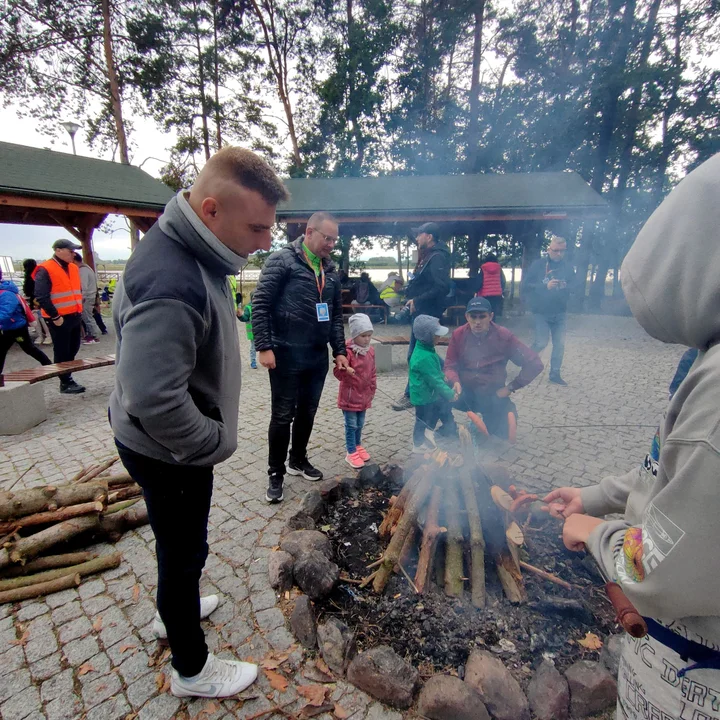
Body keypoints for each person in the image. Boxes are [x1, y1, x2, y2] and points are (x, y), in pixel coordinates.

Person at [543, 154, 720, 720]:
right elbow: (671, 471)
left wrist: (597, 531)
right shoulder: (710, 361)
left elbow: (660, 570)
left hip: (692, 673)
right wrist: (597, 494)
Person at [109, 146, 289, 698]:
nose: (264, 243)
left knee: (177, 547)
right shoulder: (172, 279)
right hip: (170, 451)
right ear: (211, 210)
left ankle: (176, 607)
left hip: (163, 447)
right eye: (257, 228)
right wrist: (209, 441)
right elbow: (154, 399)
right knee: (184, 552)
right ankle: (192, 668)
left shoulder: (190, 250)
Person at [253, 212, 349, 504]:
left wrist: (341, 351)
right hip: (285, 353)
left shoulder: (330, 270)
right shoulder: (283, 261)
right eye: (327, 237)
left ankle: (298, 459)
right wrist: (264, 346)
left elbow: (334, 317)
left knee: (308, 411)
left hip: (316, 356)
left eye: (335, 239)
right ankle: (275, 472)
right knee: (283, 415)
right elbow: (260, 304)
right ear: (309, 232)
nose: (331, 244)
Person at [445, 297, 542, 440]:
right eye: (473, 316)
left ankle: (495, 423)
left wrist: (511, 387)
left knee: (501, 434)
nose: (477, 322)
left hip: (492, 394)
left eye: (482, 316)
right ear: (467, 316)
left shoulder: (504, 336)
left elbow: (535, 363)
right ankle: (448, 427)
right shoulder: (458, 334)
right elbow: (450, 364)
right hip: (464, 392)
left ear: (490, 316)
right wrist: (454, 380)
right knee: (434, 389)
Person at [392, 223, 451, 410]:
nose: (417, 239)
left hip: (427, 315)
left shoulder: (438, 258)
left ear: (430, 237)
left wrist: (417, 300)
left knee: (414, 355)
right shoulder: (429, 255)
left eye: (420, 235)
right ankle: (452, 372)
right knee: (420, 354)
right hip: (421, 312)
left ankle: (411, 395)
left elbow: (441, 287)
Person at [34, 239, 86, 394]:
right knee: (62, 350)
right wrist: (55, 316)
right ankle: (65, 381)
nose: (73, 254)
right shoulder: (45, 269)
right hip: (59, 318)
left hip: (74, 315)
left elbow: (76, 290)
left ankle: (66, 375)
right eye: (70, 251)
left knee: (74, 347)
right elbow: (41, 296)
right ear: (58, 250)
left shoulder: (73, 268)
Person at [522, 235, 575, 386]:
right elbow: (526, 285)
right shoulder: (538, 265)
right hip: (541, 311)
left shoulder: (568, 267)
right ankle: (525, 364)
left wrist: (566, 286)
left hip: (560, 311)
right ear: (549, 249)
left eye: (562, 251)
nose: (559, 254)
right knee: (541, 342)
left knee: (560, 344)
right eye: (556, 250)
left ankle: (555, 374)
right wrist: (545, 286)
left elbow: (575, 286)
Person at [409, 314, 458, 453]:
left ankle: (425, 438)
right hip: (423, 396)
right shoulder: (424, 356)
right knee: (421, 421)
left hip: (427, 394)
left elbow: (435, 372)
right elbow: (434, 380)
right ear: (427, 336)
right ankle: (418, 445)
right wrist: (449, 394)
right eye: (436, 335)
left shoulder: (427, 350)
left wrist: (443, 376)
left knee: (428, 418)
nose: (439, 337)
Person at [334, 313, 377, 469]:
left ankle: (358, 445)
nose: (367, 339)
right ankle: (350, 451)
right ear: (355, 335)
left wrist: (372, 387)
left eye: (369, 335)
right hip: (350, 397)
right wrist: (345, 370)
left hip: (364, 396)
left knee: (360, 424)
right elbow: (338, 373)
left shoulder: (370, 351)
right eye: (363, 335)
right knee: (351, 425)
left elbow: (372, 371)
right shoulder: (347, 352)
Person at [0, 269, 52, 375]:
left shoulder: (6, 294)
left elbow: (5, 313)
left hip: (16, 327)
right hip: (7, 327)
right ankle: (48, 364)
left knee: (29, 348)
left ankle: (49, 365)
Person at [72, 253, 102, 344]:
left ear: (74, 261)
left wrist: (81, 297)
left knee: (87, 317)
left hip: (87, 297)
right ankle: (91, 335)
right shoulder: (87, 268)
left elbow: (83, 286)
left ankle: (94, 336)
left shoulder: (82, 271)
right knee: (87, 316)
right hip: (90, 295)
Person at [22, 259, 52, 345]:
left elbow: (27, 291)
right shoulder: (39, 274)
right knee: (41, 318)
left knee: (38, 318)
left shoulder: (30, 277)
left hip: (37, 300)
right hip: (40, 300)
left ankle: (42, 336)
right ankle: (47, 335)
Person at [476, 253, 506, 318]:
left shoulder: (483, 268)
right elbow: (503, 281)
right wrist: (501, 290)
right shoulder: (499, 268)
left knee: (485, 310)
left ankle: (487, 325)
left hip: (485, 294)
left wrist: (476, 290)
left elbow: (480, 281)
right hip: (496, 294)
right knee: (493, 311)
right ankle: (493, 324)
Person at [238, 291, 257, 369]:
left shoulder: (262, 305)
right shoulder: (248, 308)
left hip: (262, 331)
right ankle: (253, 362)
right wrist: (240, 316)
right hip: (253, 332)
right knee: (253, 348)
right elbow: (245, 318)